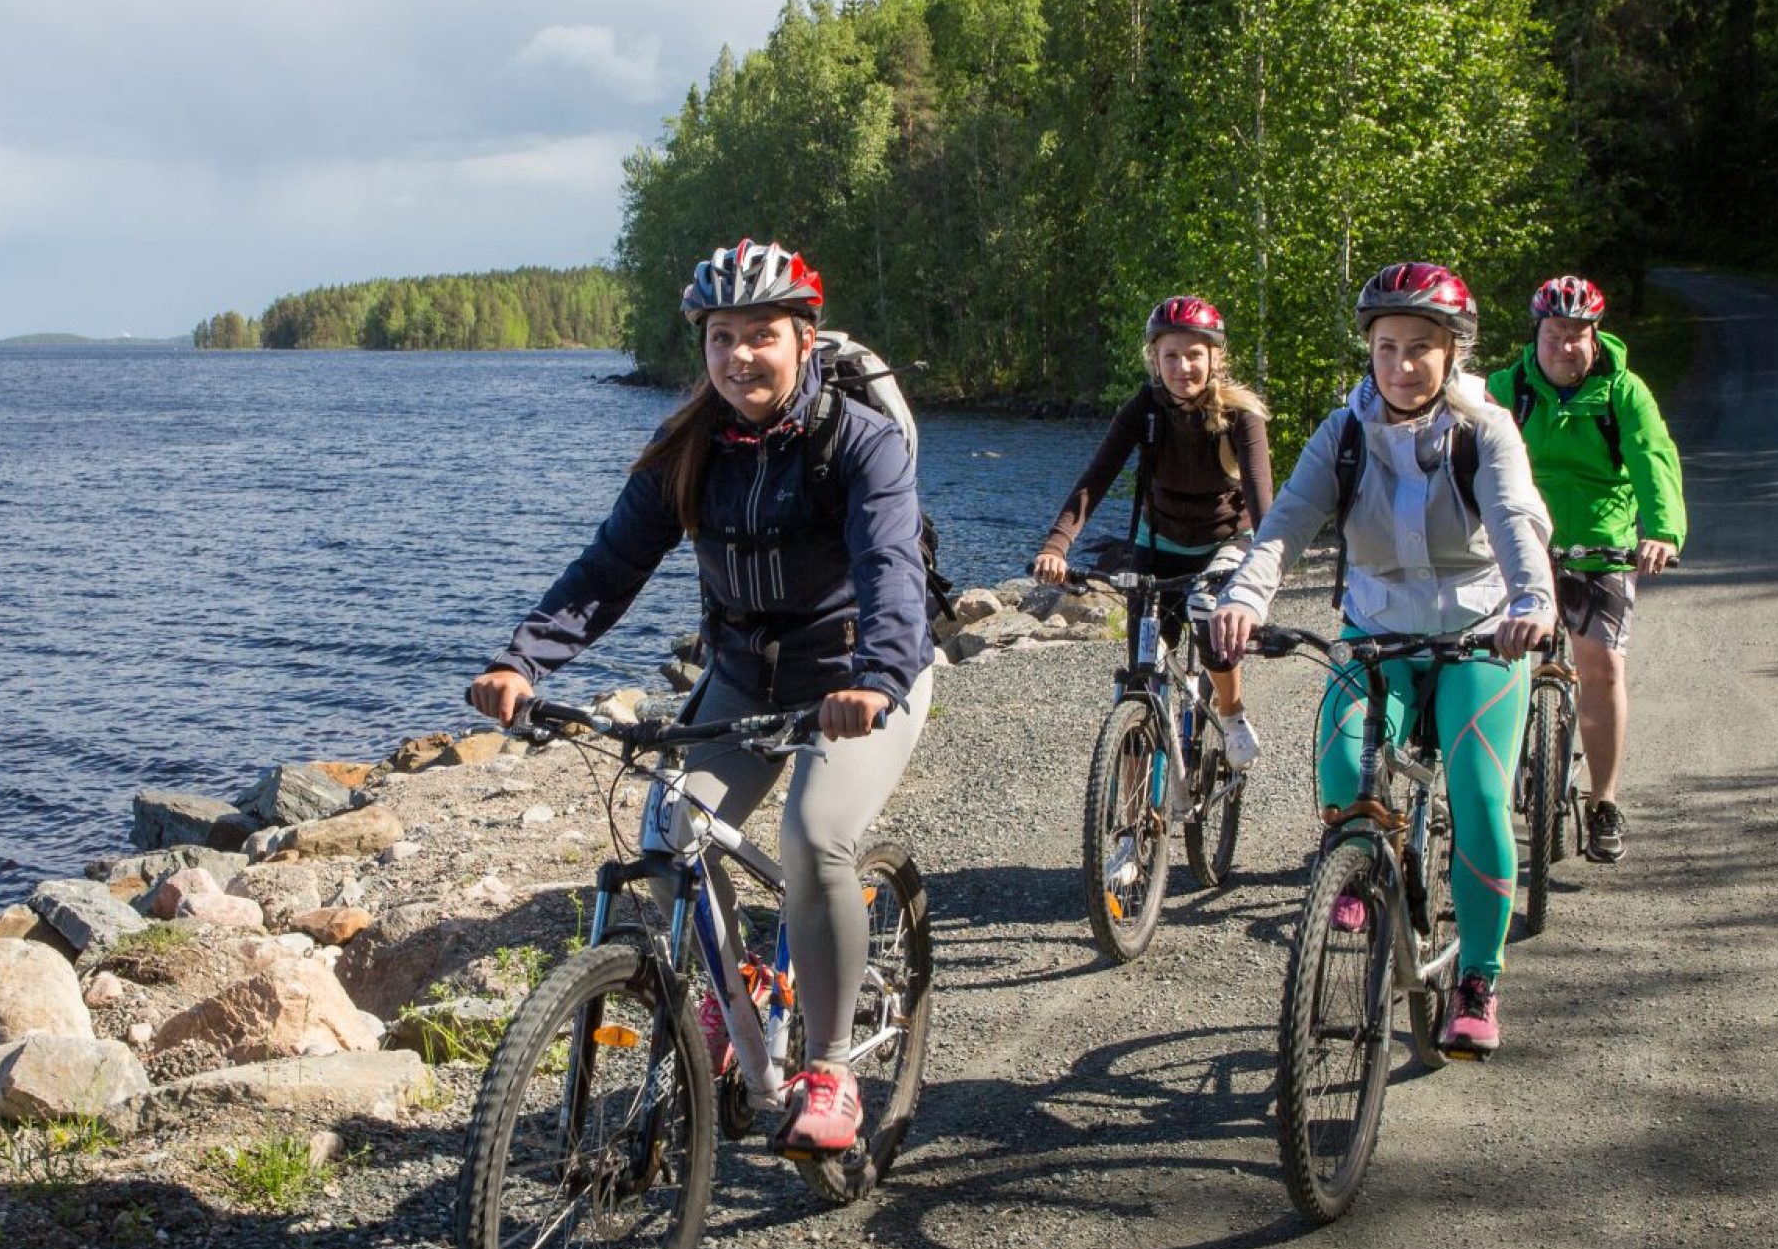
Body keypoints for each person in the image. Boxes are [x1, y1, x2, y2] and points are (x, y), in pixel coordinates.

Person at [466, 238, 936, 1154]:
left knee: (815, 838)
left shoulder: (860, 442)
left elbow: (890, 572)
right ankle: (733, 1004)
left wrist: (875, 679)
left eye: (761, 334)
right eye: (722, 337)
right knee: (669, 832)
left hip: (858, 675)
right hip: (742, 673)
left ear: (803, 339)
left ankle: (832, 1067)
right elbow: (610, 566)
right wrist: (525, 662)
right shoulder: (690, 447)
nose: (739, 356)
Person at [1207, 263, 1554, 1056]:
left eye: (1421, 349)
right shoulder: (1344, 433)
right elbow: (1287, 524)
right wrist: (1245, 600)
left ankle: (1477, 978)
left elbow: (1511, 519)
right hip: (1376, 635)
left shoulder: (1485, 431)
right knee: (1340, 766)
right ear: (1369, 350)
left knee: (1476, 796)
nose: (1401, 365)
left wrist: (1533, 604)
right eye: (1387, 347)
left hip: (1482, 633)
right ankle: (1366, 865)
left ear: (1453, 353)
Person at [1483, 275, 1686, 864]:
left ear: (1595, 338)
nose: (1563, 347)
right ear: (1536, 335)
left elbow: (1653, 457)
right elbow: (1467, 455)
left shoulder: (1624, 391)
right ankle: (1484, 796)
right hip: (1521, 543)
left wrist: (1661, 532)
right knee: (1492, 666)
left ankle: (1603, 802)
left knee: (1600, 670)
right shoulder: (1507, 389)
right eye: (1553, 334)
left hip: (1602, 544)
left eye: (1576, 335)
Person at [1030, 296, 1278, 766]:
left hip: (1225, 542)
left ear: (1214, 358)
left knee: (1209, 613)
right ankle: (1133, 813)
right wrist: (1056, 546)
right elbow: (1095, 479)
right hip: (1157, 541)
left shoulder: (1241, 416)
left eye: (1194, 355)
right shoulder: (1143, 410)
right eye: (1171, 355)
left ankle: (1230, 713)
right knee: (1143, 669)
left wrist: (1262, 584)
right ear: (1155, 360)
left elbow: (1263, 503)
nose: (1183, 366)